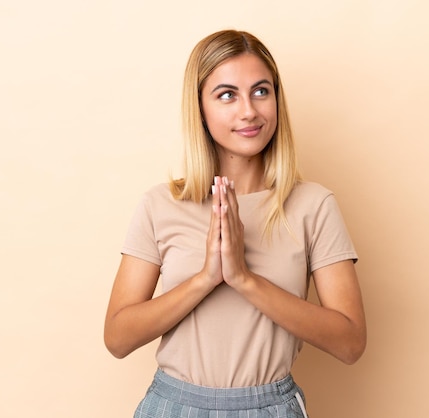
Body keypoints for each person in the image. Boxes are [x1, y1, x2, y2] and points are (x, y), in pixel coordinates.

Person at [104, 29, 366, 418]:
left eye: (261, 91)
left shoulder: (313, 205)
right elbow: (118, 338)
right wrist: (206, 278)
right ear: (200, 108)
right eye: (227, 95)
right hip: (173, 406)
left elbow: (350, 343)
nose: (249, 111)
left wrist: (244, 278)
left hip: (271, 407)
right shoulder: (161, 204)